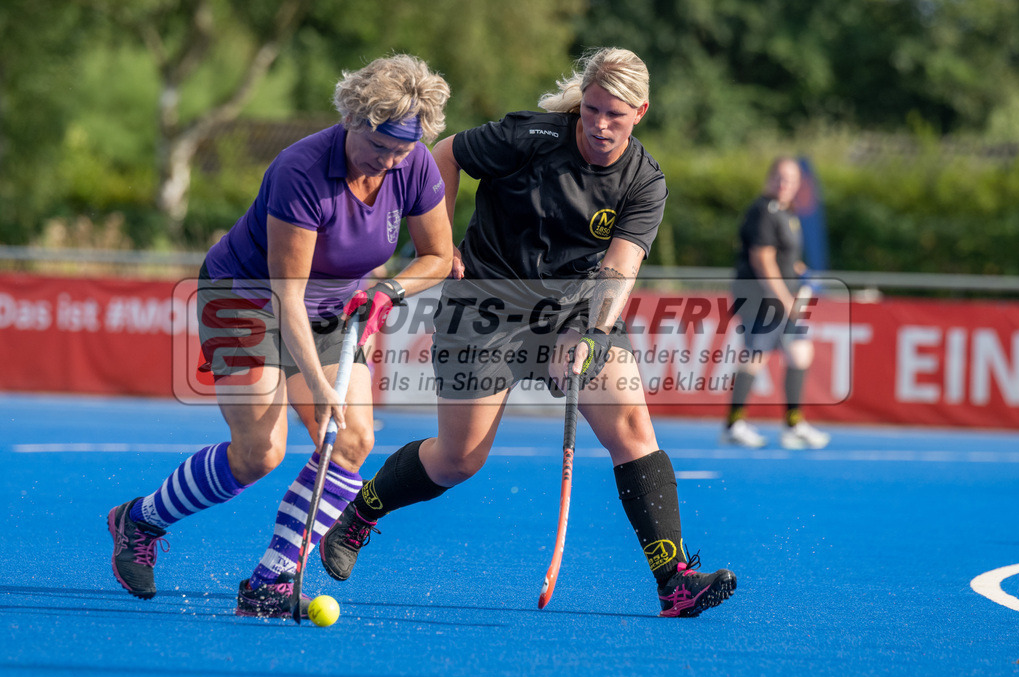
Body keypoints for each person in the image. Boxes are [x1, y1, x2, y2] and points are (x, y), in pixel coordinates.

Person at [318, 47, 737, 618]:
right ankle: (362, 511)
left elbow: (619, 269)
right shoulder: (530, 135)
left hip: (572, 314)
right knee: (459, 460)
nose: (600, 125)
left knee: (634, 427)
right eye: (591, 110)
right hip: (483, 307)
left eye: (615, 114)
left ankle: (674, 580)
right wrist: (435, 243)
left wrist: (591, 333)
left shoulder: (644, 181)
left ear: (641, 111)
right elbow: (443, 154)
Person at [107, 54, 453, 618]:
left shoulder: (413, 165)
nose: (390, 162)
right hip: (248, 299)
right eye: (380, 147)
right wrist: (319, 383)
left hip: (338, 305)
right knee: (259, 453)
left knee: (351, 440)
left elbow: (439, 256)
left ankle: (273, 577)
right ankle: (139, 520)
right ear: (354, 122)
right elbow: (287, 297)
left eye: (402, 149)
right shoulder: (302, 170)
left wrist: (390, 291)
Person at [721, 157, 831, 450]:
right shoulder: (764, 211)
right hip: (761, 297)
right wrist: (785, 298)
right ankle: (734, 424)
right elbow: (763, 259)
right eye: (780, 178)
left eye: (791, 180)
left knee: (800, 353)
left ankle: (794, 425)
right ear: (770, 179)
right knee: (756, 356)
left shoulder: (786, 212)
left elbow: (785, 259)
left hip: (781, 297)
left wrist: (802, 272)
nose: (784, 184)